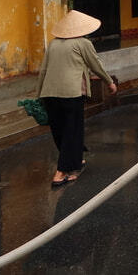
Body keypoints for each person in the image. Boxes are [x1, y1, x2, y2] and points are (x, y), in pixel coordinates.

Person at [36, 10, 118, 187]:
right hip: (71, 94)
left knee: (60, 131)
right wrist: (109, 82)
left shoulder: (53, 44)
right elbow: (96, 65)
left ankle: (75, 160)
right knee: (71, 131)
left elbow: (43, 70)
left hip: (50, 93)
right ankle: (61, 172)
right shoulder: (83, 43)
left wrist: (39, 94)